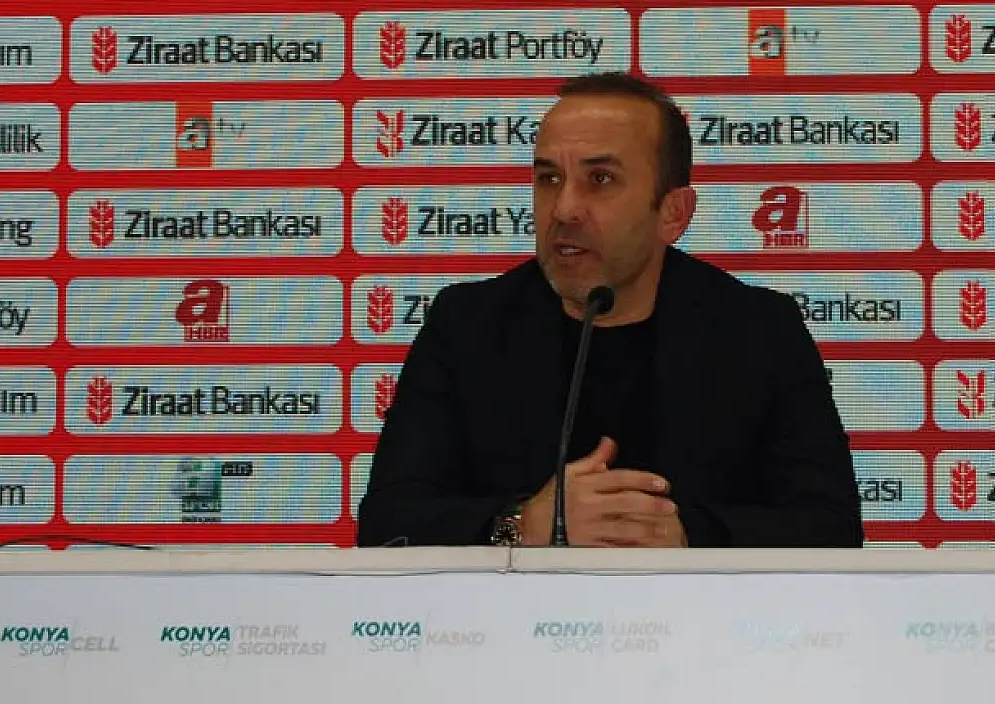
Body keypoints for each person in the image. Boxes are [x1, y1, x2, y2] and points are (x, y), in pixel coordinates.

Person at [357, 72, 862, 548]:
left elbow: (831, 528)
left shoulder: (758, 331)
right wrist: (521, 525)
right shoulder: (467, 326)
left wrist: (685, 536)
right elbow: (387, 523)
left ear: (673, 214)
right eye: (549, 179)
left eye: (600, 179)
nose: (563, 210)